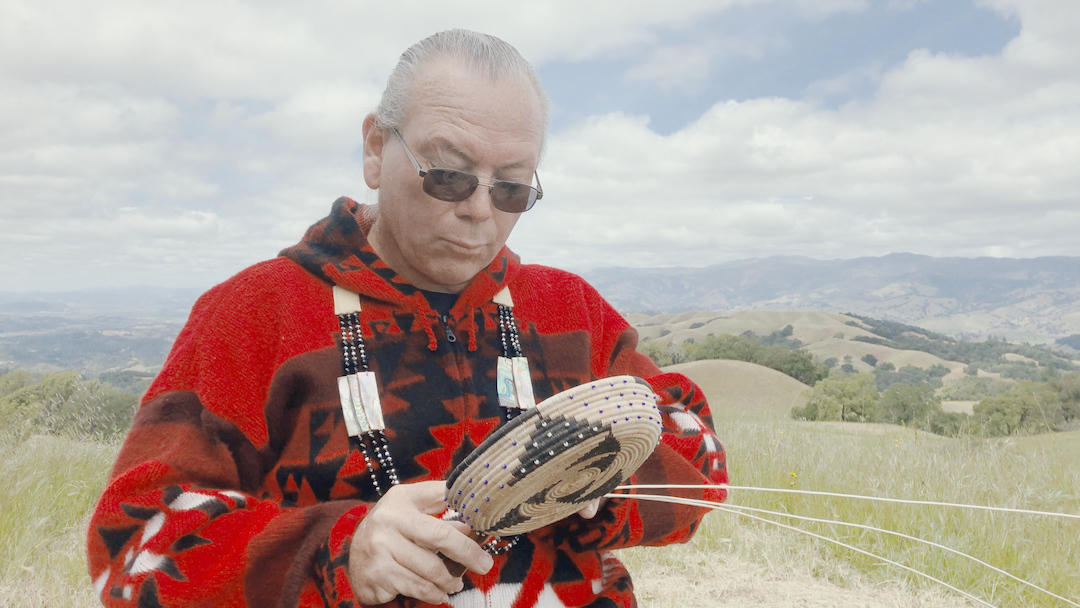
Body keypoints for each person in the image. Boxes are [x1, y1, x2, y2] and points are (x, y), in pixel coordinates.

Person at [87, 29, 727, 608]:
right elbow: (134, 546)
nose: (479, 211)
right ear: (375, 149)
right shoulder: (255, 315)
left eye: (511, 187)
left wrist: (601, 480)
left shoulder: (571, 310)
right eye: (448, 175)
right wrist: (339, 551)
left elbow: (702, 462)